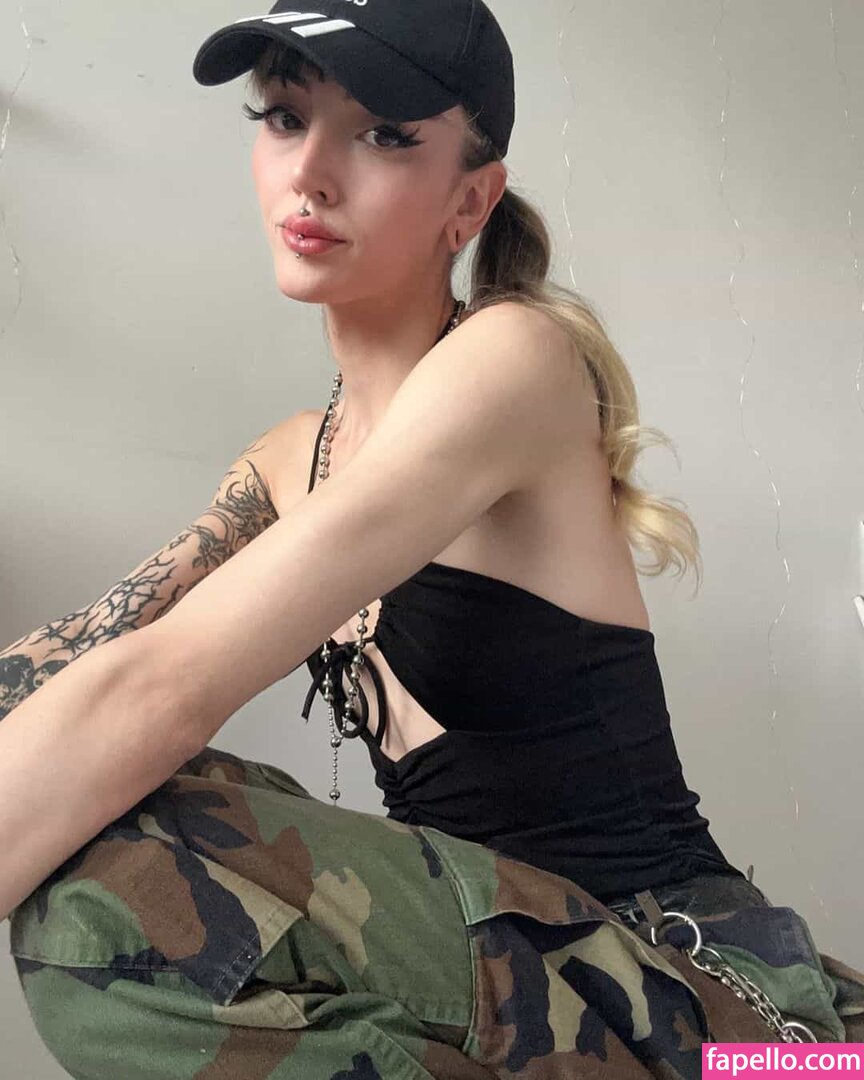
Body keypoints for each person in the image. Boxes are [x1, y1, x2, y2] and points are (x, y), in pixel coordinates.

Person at [3, 1, 864, 1077]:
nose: (311, 173)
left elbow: (163, 687)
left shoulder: (515, 360)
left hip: (687, 996)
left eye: (383, 133)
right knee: (86, 789)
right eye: (284, 117)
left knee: (116, 879)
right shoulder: (290, 459)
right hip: (505, 984)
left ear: (471, 201)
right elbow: (82, 665)